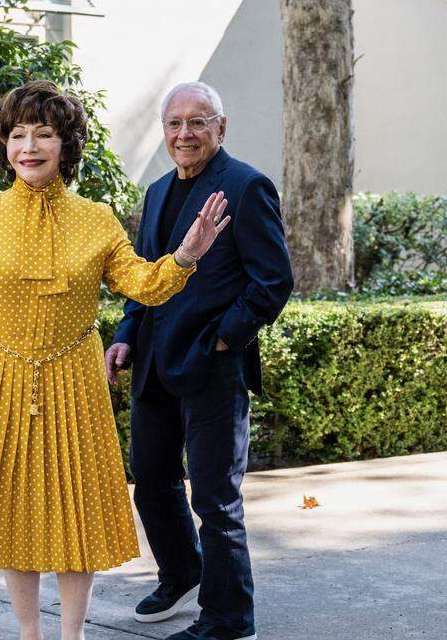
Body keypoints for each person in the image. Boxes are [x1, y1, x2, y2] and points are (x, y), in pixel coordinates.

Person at [0, 79, 231, 640]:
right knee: (13, 515)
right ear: (5, 144)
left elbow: (144, 286)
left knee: (72, 515)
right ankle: (29, 633)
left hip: (75, 382)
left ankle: (70, 634)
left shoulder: (97, 219)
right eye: (18, 134)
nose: (29, 146)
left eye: (44, 134)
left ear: (65, 145)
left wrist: (187, 255)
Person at [105, 82, 294, 640]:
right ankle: (181, 572)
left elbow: (272, 282)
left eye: (197, 122)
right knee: (152, 482)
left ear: (221, 127)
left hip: (214, 368)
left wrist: (222, 340)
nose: (184, 134)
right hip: (154, 365)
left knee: (215, 499)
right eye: (174, 124)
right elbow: (145, 279)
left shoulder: (245, 186)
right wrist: (126, 332)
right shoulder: (160, 190)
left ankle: (230, 618)